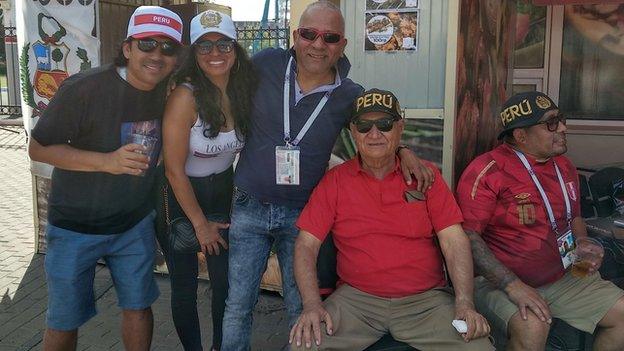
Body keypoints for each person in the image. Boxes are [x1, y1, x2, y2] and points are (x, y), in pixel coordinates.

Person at [220, 2, 434, 349]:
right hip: (249, 204)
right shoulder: (265, 64)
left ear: (343, 45)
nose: (318, 44)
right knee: (238, 305)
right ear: (295, 36)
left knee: (300, 305)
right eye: (309, 34)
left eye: (330, 37)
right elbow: (219, 81)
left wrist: (403, 151)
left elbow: (377, 127)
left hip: (302, 215)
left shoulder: (349, 94)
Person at [288, 88, 493, 351]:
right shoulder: (336, 181)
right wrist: (312, 305)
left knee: (479, 349)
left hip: (424, 302)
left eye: (384, 124)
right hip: (356, 301)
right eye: (364, 126)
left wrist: (465, 302)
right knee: (302, 347)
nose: (374, 134)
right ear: (353, 131)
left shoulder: (426, 177)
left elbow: (454, 241)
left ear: (400, 128)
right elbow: (306, 245)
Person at [28, 6, 183, 351]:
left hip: (133, 225)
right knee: (64, 321)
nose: (157, 55)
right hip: (74, 228)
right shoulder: (84, 89)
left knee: (139, 307)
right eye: (147, 44)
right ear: (128, 48)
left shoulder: (168, 92)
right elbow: (37, 149)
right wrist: (106, 162)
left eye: (168, 48)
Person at [456, 91, 624, 351]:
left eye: (561, 119)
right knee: (534, 327)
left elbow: (574, 216)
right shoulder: (487, 171)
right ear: (521, 135)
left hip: (564, 276)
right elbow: (466, 236)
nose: (564, 128)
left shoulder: (564, 166)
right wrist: (512, 286)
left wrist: (582, 242)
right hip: (498, 283)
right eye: (551, 124)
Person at [156, 10, 255, 351]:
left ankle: (220, 346)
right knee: (184, 286)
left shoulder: (245, 89)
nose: (215, 53)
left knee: (225, 283)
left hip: (223, 190)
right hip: (179, 196)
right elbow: (172, 168)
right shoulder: (185, 97)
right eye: (205, 46)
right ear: (193, 54)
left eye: (224, 44)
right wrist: (199, 224)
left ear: (235, 49)